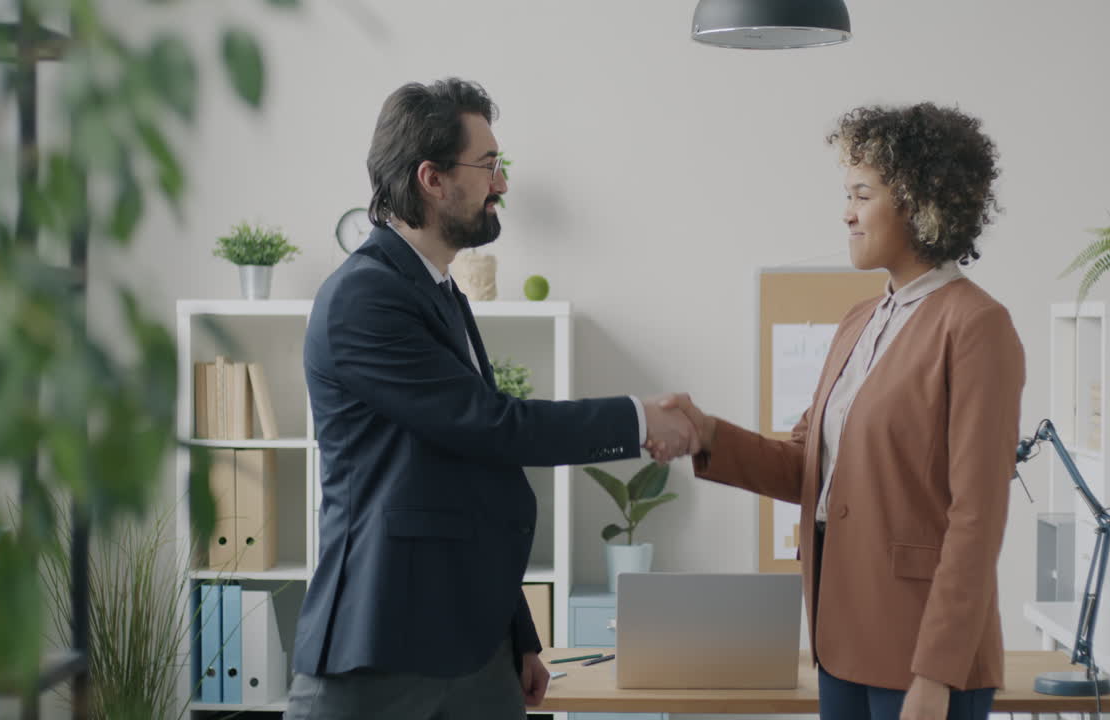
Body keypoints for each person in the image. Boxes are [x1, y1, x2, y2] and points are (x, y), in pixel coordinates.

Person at [287, 77, 698, 720]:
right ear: (432, 178)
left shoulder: (441, 291)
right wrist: (637, 417)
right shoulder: (363, 297)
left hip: (473, 647)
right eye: (489, 164)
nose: (502, 183)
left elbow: (474, 472)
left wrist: (519, 635)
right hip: (382, 641)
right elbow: (491, 426)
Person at [665, 103, 1025, 720]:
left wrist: (936, 674)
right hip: (840, 636)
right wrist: (707, 434)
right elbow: (806, 466)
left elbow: (977, 519)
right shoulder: (860, 320)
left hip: (923, 655)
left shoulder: (975, 325)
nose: (846, 213)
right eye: (846, 194)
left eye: (861, 193)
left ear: (919, 201)